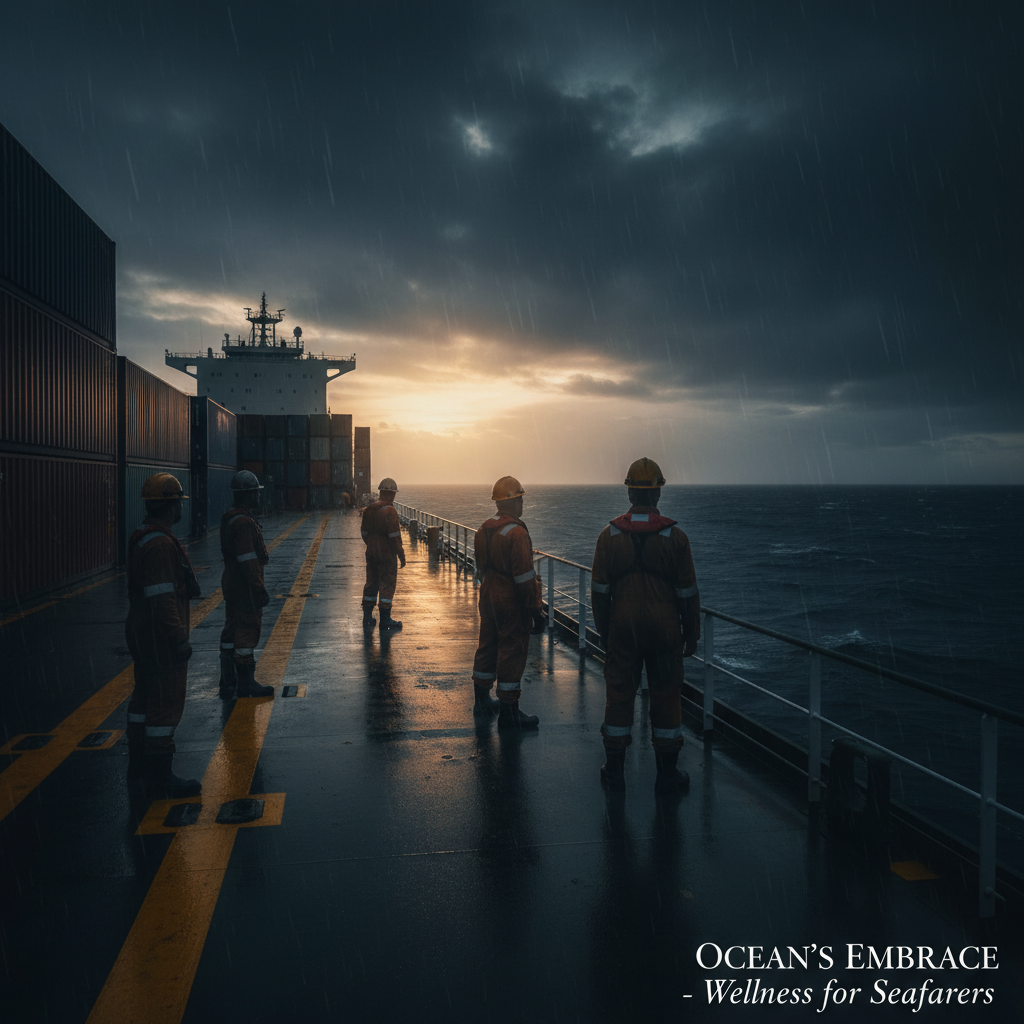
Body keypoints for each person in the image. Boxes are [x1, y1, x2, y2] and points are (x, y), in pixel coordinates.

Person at [590, 458, 700, 792]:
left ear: (629, 493)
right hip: (665, 631)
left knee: (619, 694)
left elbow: (598, 593)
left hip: (622, 629)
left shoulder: (608, 536)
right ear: (657, 495)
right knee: (666, 696)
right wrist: (691, 633)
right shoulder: (675, 537)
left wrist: (605, 632)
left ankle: (615, 769)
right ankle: (666, 775)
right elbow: (687, 593)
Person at [124, 473, 202, 798]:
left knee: (143, 699)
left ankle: (138, 765)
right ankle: (160, 778)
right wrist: (178, 639)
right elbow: (162, 598)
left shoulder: (145, 537)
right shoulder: (159, 544)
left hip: (142, 631)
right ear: (172, 506)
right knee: (165, 702)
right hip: (160, 636)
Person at [471, 476, 546, 728]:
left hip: (488, 596)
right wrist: (536, 612)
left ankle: (481, 702)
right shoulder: (517, 533)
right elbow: (525, 579)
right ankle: (509, 714)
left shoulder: (483, 529)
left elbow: (480, 567)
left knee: (487, 646)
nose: (522, 503)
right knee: (511, 651)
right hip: (510, 601)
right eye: (520, 498)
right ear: (513, 501)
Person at [219, 470, 274, 699]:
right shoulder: (243, 523)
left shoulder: (230, 518)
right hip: (245, 588)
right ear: (248, 495)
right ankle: (245, 682)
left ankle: (228, 681)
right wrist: (258, 589)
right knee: (246, 631)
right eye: (256, 493)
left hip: (232, 584)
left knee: (232, 630)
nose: (258, 498)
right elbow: (248, 561)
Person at [361, 478, 406, 631]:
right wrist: (401, 555)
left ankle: (367, 617)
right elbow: (395, 537)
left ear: (380, 492)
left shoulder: (368, 510)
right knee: (387, 583)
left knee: (371, 582)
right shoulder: (390, 511)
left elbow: (364, 533)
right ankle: (385, 620)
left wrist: (372, 545)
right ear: (392, 494)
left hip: (371, 552)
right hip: (386, 554)